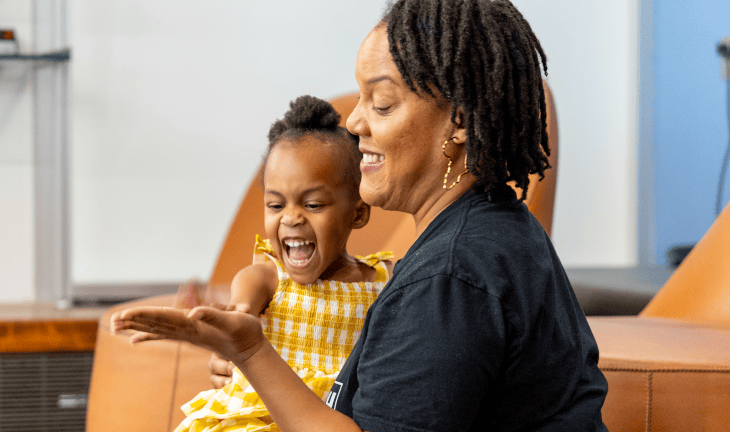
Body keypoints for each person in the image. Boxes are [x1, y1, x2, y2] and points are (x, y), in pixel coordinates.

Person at [112, 0, 609, 431]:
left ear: (458, 120)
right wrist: (263, 373)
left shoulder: (452, 276)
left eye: (383, 103)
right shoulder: (491, 232)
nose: (354, 122)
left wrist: (252, 353)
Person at [116, 94, 394, 432]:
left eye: (314, 204)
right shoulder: (267, 277)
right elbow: (241, 311)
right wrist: (217, 325)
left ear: (359, 212)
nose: (291, 218)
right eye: (276, 206)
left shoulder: (384, 280)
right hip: (260, 419)